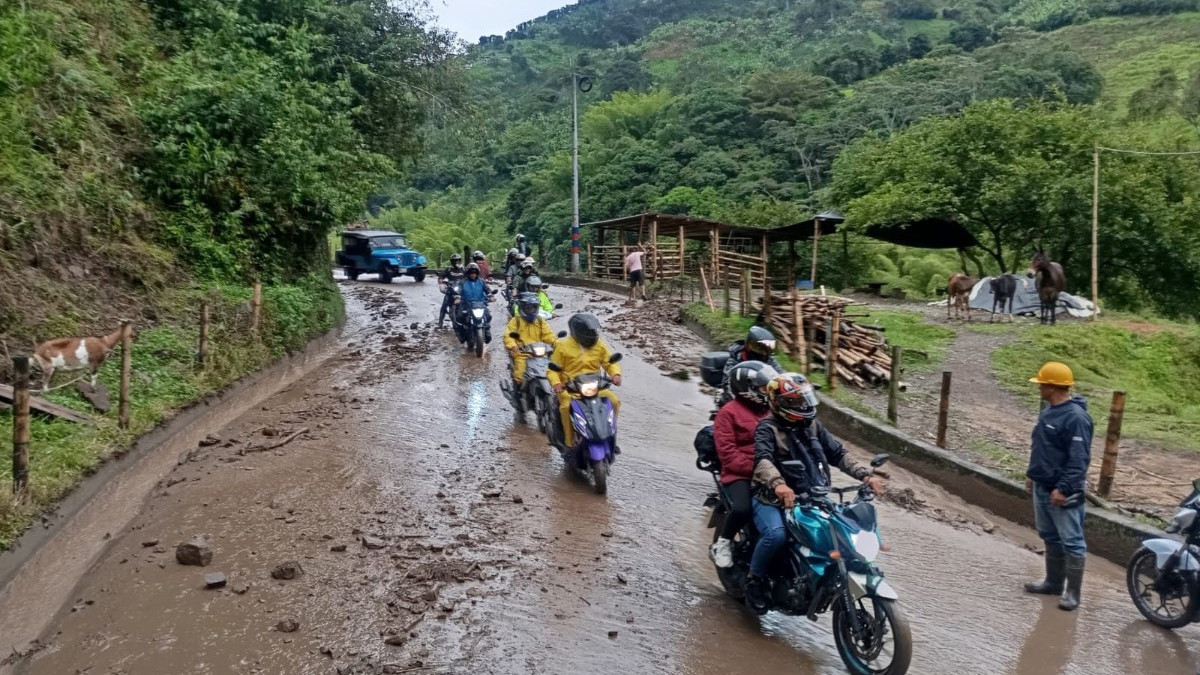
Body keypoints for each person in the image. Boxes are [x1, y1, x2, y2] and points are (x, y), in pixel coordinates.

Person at [745, 373, 886, 614]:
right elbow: (763, 460)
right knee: (776, 535)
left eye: (806, 399)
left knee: (841, 531)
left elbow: (838, 454)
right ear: (780, 403)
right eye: (798, 401)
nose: (804, 406)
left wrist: (865, 476)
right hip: (771, 498)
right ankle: (754, 581)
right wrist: (779, 485)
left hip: (811, 497)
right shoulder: (767, 428)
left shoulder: (812, 426)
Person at [1023, 361, 1093, 612]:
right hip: (1042, 486)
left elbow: (1079, 459)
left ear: (1052, 386)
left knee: (1072, 541)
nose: (1039, 387)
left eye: (1042, 383)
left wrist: (1063, 488)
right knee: (1050, 536)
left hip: (1061, 491)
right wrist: (1032, 475)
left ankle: (1072, 593)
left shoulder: (1076, 418)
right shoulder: (1049, 411)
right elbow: (1041, 448)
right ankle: (1053, 583)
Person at [710, 361, 778, 569]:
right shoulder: (728, 413)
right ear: (747, 388)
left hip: (771, 472)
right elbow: (728, 454)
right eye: (763, 389)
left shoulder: (771, 411)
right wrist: (758, 470)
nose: (768, 393)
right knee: (742, 508)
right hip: (739, 474)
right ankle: (722, 543)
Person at [549, 313, 622, 449]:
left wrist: (615, 375)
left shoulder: (599, 345)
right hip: (570, 388)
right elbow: (552, 370)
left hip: (595, 386)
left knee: (614, 401)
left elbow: (609, 363)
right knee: (565, 406)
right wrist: (557, 383)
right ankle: (569, 442)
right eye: (588, 331)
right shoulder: (563, 347)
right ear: (578, 332)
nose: (592, 334)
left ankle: (610, 437)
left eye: (593, 331)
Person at [717, 326, 783, 406]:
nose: (763, 352)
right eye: (758, 348)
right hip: (739, 395)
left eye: (767, 349)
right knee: (727, 403)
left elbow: (781, 375)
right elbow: (727, 381)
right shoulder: (736, 357)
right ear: (748, 345)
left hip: (762, 397)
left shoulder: (769, 360)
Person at [504, 292, 558, 388]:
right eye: (527, 308)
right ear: (522, 308)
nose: (530, 310)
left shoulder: (541, 321)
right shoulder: (515, 321)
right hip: (522, 353)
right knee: (520, 375)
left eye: (532, 308)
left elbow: (548, 335)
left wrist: (556, 343)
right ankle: (517, 392)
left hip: (540, 353)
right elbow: (508, 335)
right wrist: (513, 345)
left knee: (553, 373)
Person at [437, 253, 466, 328]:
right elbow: (442, 275)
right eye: (454, 260)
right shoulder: (449, 269)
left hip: (461, 290)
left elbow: (469, 277)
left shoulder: (463, 269)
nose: (456, 262)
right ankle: (440, 322)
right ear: (451, 261)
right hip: (450, 289)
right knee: (444, 304)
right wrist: (441, 279)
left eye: (457, 260)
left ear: (460, 260)